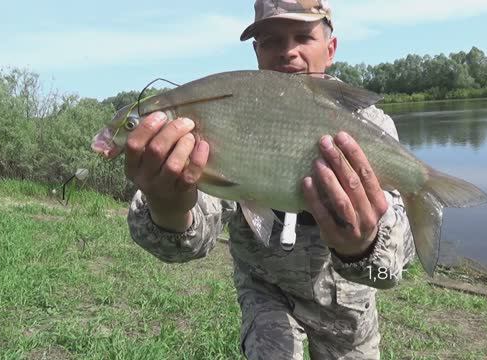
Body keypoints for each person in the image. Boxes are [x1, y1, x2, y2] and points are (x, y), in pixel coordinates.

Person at [125, 1, 415, 359]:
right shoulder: (232, 112)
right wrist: (168, 207)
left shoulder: (370, 126)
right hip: (265, 293)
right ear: (256, 51)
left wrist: (364, 243)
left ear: (331, 47)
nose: (288, 52)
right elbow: (192, 237)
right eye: (271, 40)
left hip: (347, 310)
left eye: (303, 36)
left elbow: (392, 269)